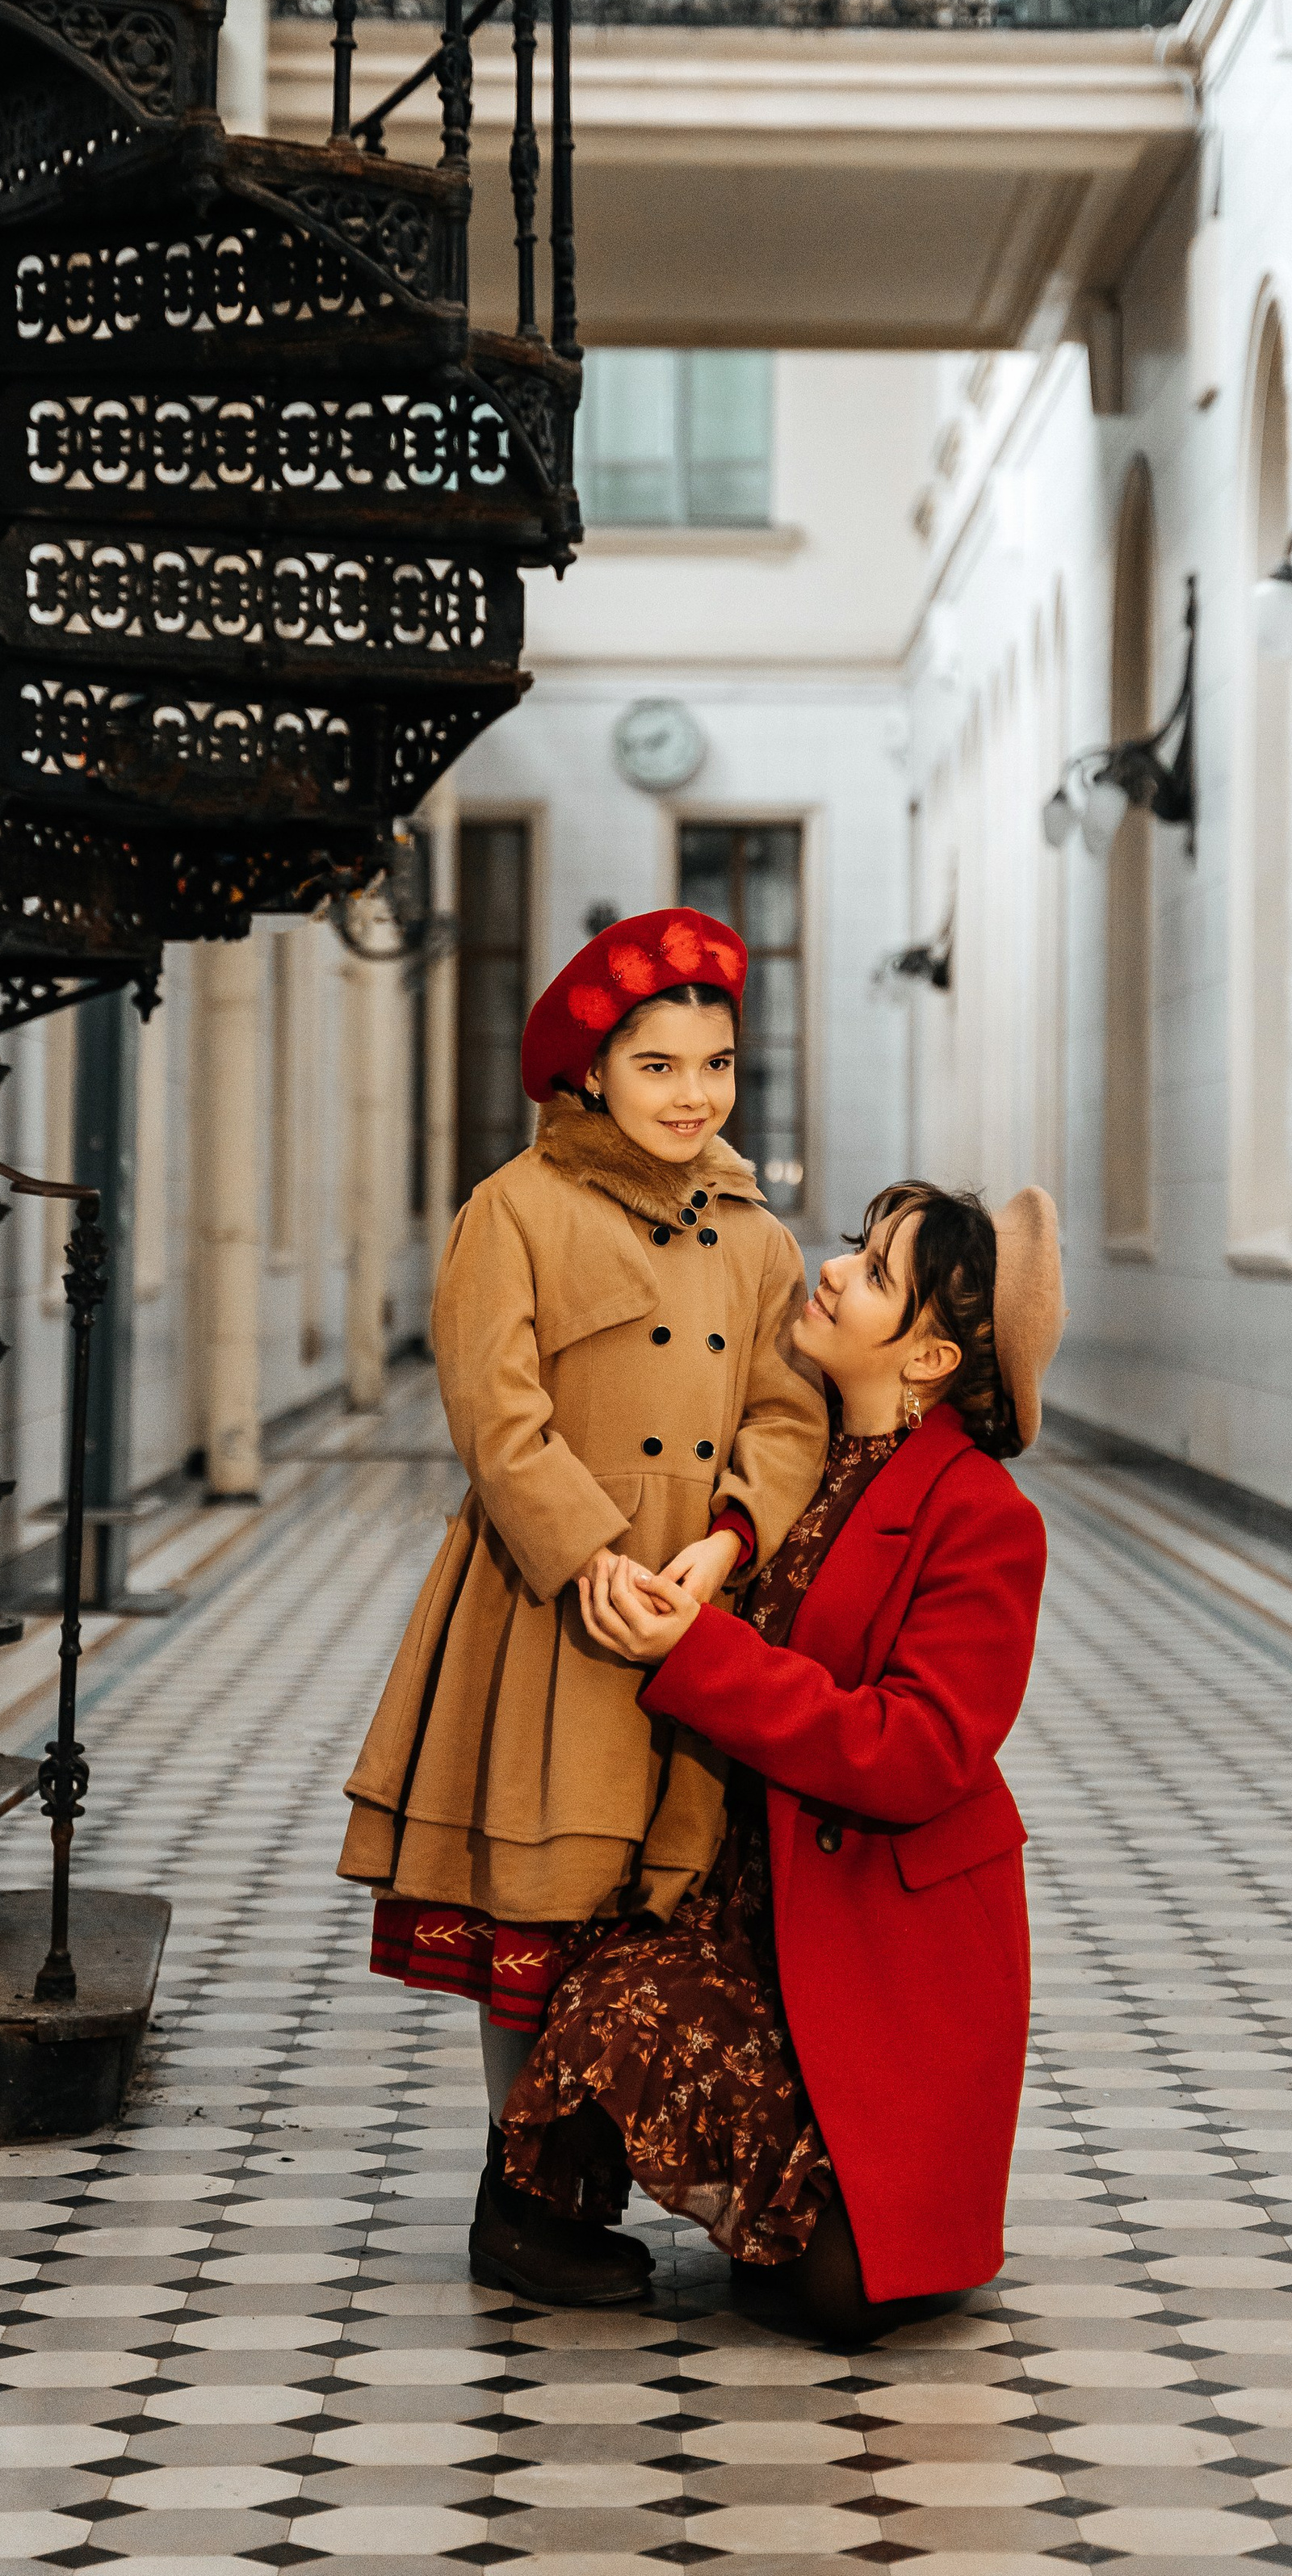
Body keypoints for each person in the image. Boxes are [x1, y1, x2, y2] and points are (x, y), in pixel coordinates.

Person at [338, 907, 828, 2305]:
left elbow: (791, 1418)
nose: (694, 1096)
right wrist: (595, 1554)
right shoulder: (516, 1208)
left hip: (696, 1617)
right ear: (592, 1074)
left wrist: (731, 1543)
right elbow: (496, 1415)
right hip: (553, 1612)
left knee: (652, 1910)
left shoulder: (759, 1236)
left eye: (716, 1065)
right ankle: (524, 2202)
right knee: (540, 1910)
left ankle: (589, 2178)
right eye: (661, 1066)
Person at [497, 1177, 1063, 2341]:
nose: (836, 1270)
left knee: (842, 2303)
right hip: (754, 1913)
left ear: (928, 1360)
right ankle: (541, 2214)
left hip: (887, 1950)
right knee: (610, 2011)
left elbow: (916, 1752)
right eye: (857, 1248)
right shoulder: (793, 1461)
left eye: (875, 1276)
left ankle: (837, 2216)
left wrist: (700, 1653)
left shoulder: (984, 1518)